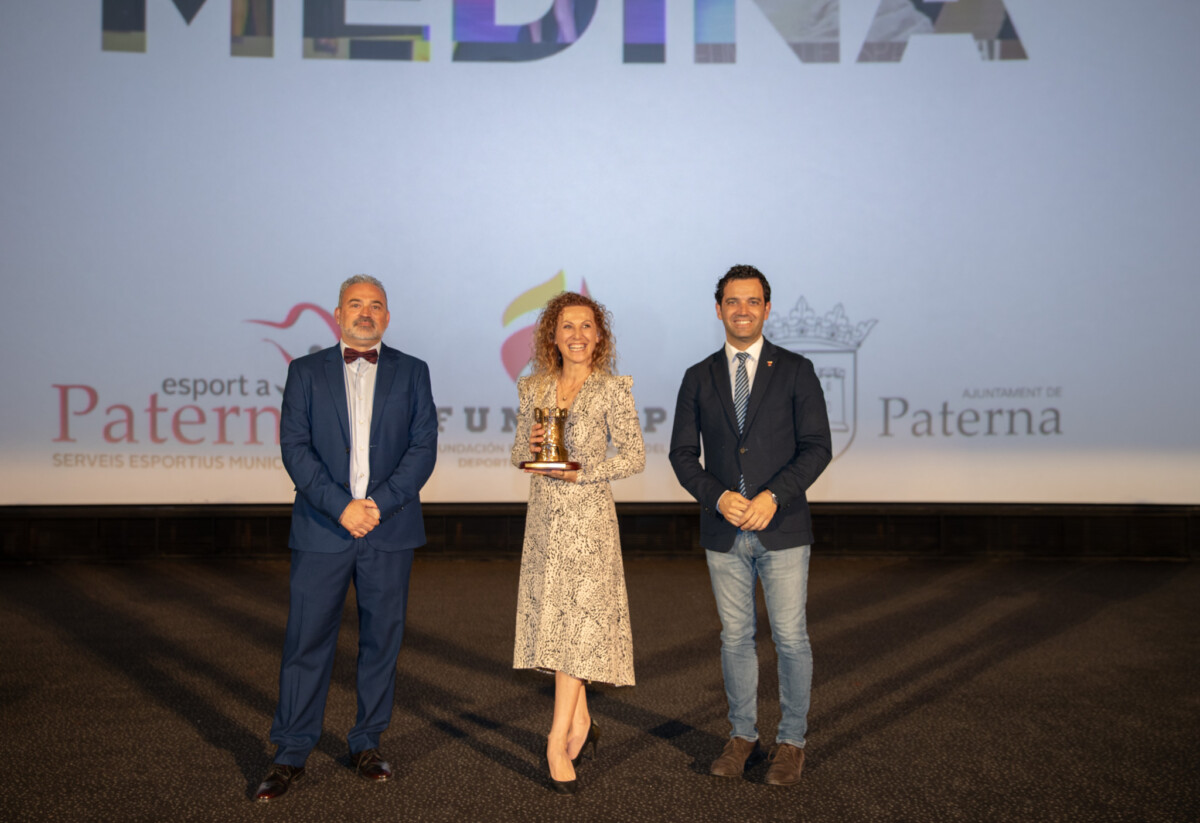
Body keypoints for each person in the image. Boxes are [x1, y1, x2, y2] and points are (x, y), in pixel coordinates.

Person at [254, 274, 438, 802]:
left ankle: (367, 742)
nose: (365, 312)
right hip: (322, 528)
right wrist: (342, 507)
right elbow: (295, 447)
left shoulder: (414, 371)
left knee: (382, 643)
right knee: (306, 642)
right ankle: (291, 752)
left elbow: (423, 447)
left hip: (388, 527)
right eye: (355, 304)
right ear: (337, 315)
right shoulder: (305, 371)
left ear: (387, 317)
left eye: (375, 305)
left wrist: (376, 506)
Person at [668, 265, 831, 786]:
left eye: (753, 301)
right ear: (718, 309)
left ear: (767, 308)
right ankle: (743, 736)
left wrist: (771, 497)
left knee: (791, 638)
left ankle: (791, 742)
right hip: (724, 530)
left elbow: (817, 448)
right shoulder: (697, 376)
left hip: (782, 527)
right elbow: (681, 454)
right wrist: (718, 497)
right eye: (733, 301)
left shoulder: (797, 370)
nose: (743, 310)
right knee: (735, 638)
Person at [510, 291, 645, 794]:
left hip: (589, 520)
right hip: (545, 521)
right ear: (553, 334)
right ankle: (583, 719)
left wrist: (582, 472)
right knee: (558, 621)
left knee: (579, 624)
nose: (578, 335)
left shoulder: (612, 388)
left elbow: (634, 457)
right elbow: (518, 453)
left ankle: (555, 738)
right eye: (568, 326)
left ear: (599, 335)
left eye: (587, 326)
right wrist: (533, 452)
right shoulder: (533, 387)